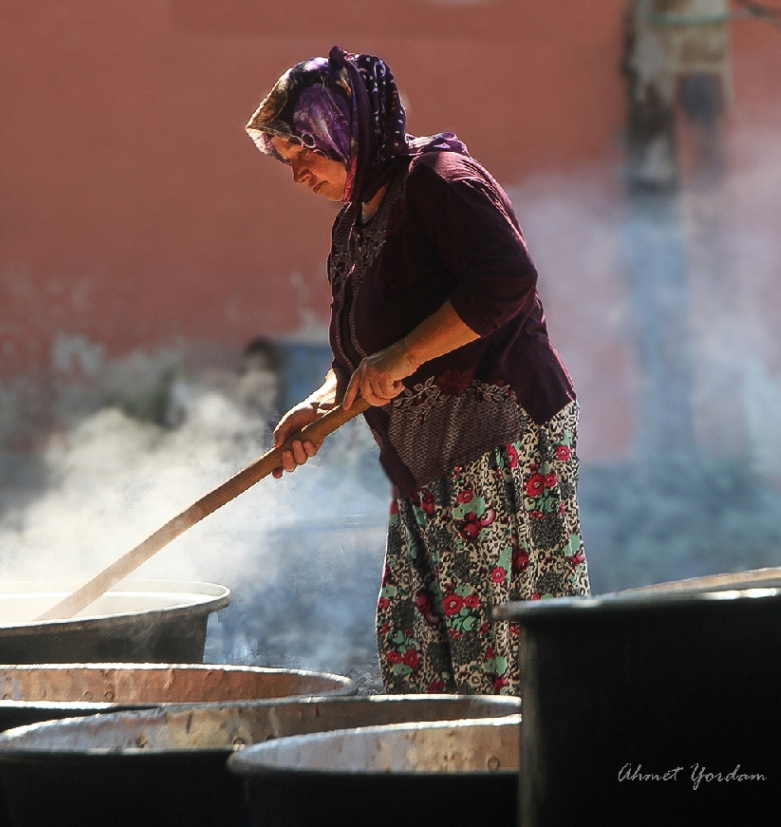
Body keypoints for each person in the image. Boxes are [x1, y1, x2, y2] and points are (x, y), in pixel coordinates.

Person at [246, 47, 590, 696]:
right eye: (287, 161)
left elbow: (506, 280)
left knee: (497, 651)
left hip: (498, 444)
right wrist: (322, 405)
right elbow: (354, 355)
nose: (296, 177)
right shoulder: (352, 223)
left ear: (350, 135)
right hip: (426, 463)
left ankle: (512, 781)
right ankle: (443, 777)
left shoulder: (441, 183)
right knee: (418, 646)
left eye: (305, 155)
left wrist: (402, 356)